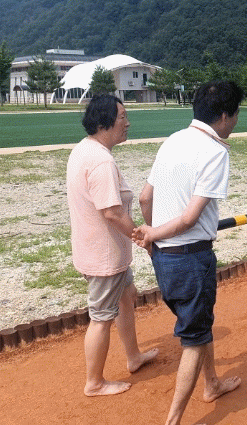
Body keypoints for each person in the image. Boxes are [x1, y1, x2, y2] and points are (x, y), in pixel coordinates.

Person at [132, 81, 243, 425]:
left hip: (164, 259)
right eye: (236, 113)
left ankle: (212, 383)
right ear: (224, 116)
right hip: (191, 258)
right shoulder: (215, 151)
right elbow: (189, 217)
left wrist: (153, 237)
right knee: (193, 339)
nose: (236, 120)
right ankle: (174, 420)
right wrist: (153, 233)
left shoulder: (173, 140)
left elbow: (145, 198)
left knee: (198, 324)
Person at [66, 94, 158, 397]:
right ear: (104, 122)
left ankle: (133, 356)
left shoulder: (85, 149)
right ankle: (94, 382)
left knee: (127, 295)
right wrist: (142, 237)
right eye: (122, 117)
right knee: (101, 317)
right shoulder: (101, 160)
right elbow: (112, 212)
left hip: (100, 250)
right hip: (104, 256)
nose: (127, 123)